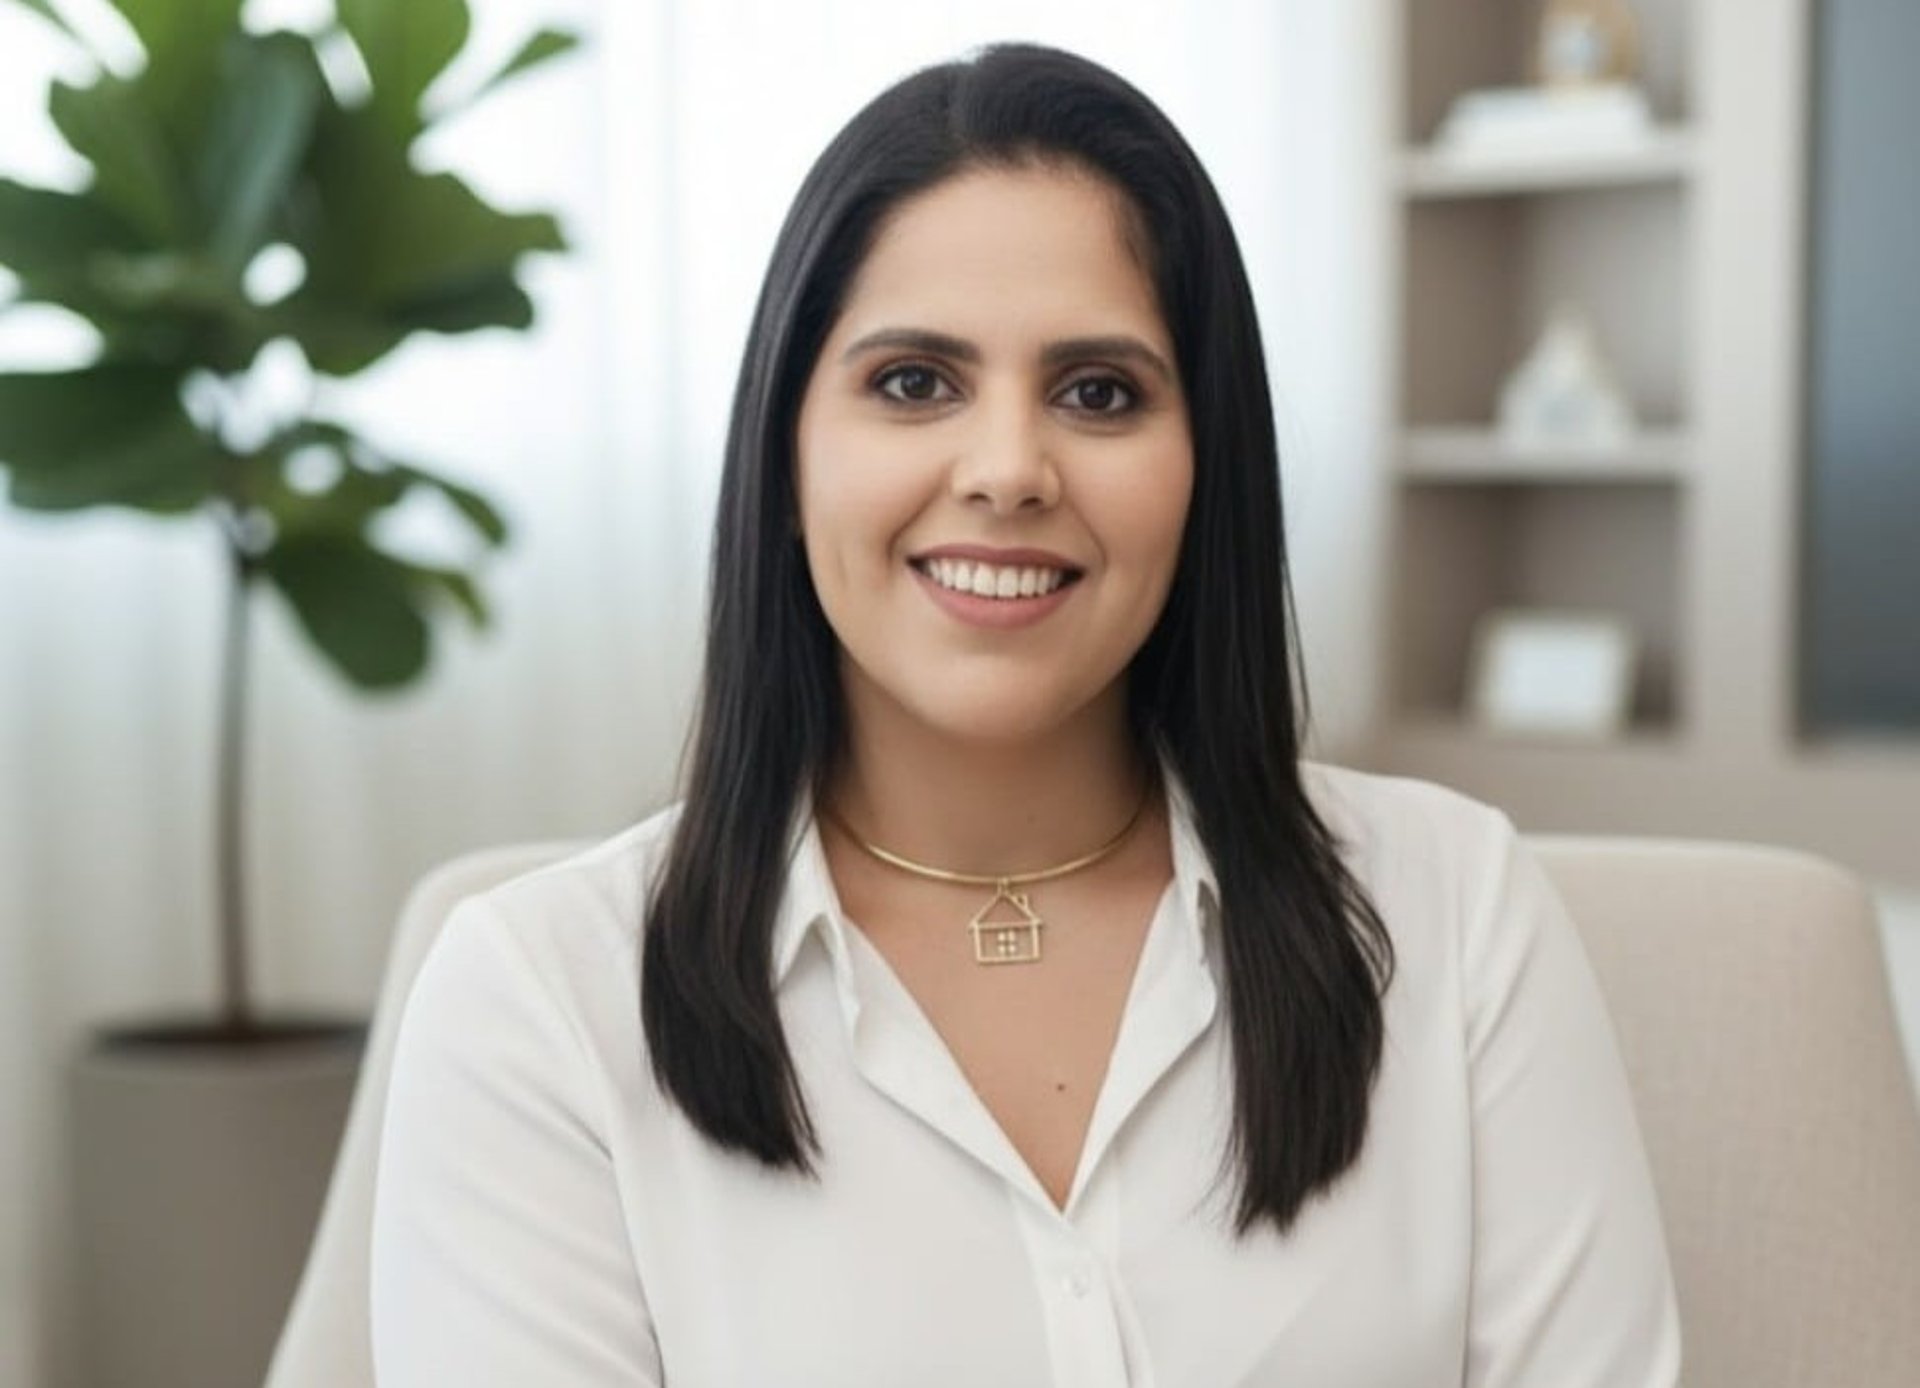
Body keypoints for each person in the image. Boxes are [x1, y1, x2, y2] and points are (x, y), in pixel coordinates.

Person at [369, 41, 1680, 1386]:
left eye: (1099, 392)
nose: (1007, 471)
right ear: (785, 447)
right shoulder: (538, 1001)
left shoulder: (1457, 915)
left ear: (1204, 466)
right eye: (914, 383)